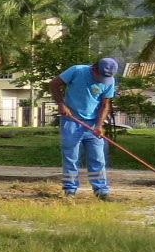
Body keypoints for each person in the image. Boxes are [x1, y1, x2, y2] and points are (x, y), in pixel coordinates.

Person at [49, 56, 119, 200]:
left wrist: (99, 126)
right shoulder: (77, 71)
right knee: (71, 156)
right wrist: (61, 104)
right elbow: (54, 84)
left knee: (98, 158)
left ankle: (101, 191)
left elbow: (105, 105)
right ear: (93, 69)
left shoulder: (109, 81)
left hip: (93, 123)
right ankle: (70, 190)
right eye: (100, 77)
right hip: (71, 121)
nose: (102, 81)